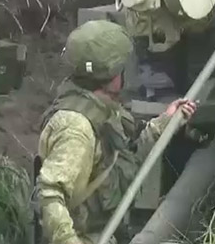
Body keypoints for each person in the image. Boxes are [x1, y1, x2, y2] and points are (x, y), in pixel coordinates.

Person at [35, 20, 198, 244]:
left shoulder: (102, 110)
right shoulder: (76, 127)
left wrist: (165, 122)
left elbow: (125, 158)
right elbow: (49, 196)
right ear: (111, 74)